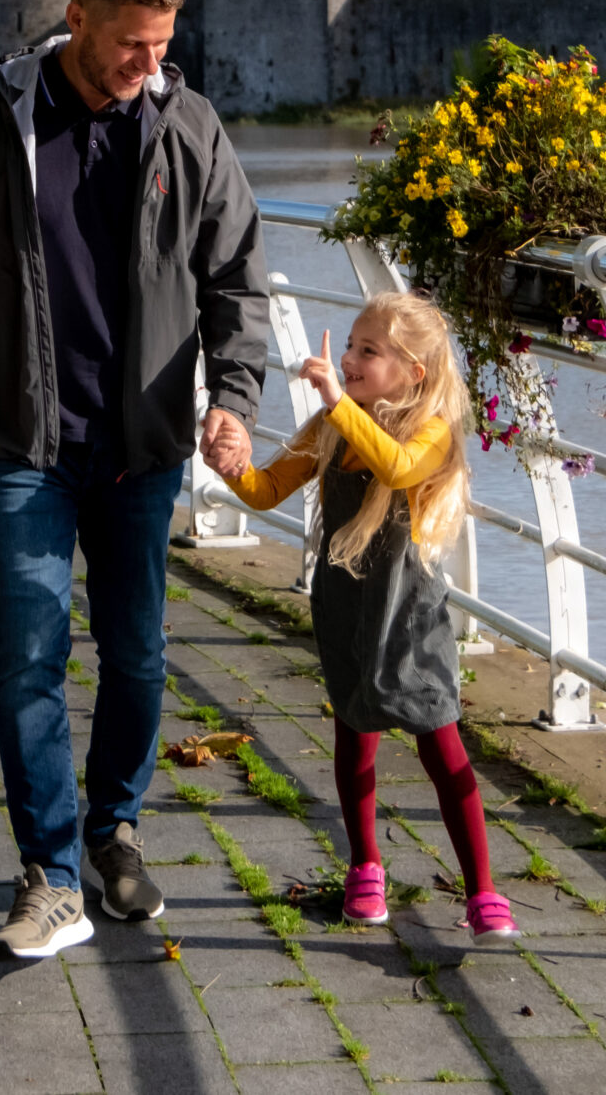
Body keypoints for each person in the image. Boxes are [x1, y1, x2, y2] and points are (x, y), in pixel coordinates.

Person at [0, 0, 269, 960]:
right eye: (132, 46)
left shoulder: (187, 126)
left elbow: (235, 275)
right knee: (30, 658)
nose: (148, 66)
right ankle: (51, 873)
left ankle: (115, 830)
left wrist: (231, 396)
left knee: (137, 655)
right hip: (22, 439)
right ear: (78, 17)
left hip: (143, 444)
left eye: (161, 47)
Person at [207, 292, 518, 947]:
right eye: (349, 345)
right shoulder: (330, 429)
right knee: (355, 736)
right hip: (344, 602)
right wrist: (233, 467)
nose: (347, 358)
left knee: (443, 745)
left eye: (367, 350)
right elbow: (267, 489)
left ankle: (483, 888)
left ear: (414, 371)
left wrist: (338, 404)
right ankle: (365, 864)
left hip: (410, 614)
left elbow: (397, 465)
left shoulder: (430, 429)